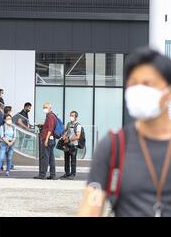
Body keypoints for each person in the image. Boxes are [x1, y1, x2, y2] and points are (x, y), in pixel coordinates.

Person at [79, 48, 171, 217]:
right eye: (133, 83)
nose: (138, 90)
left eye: (147, 84)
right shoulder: (114, 145)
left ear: (168, 91)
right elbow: (90, 208)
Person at [34, 103, 57, 180]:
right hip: (51, 139)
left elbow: (50, 128)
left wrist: (46, 139)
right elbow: (49, 126)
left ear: (50, 108)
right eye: (44, 107)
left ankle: (42, 174)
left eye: (46, 107)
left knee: (45, 157)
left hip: (48, 139)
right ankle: (52, 174)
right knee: (51, 158)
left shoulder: (50, 116)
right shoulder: (50, 116)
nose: (45, 109)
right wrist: (43, 124)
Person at [60, 111, 82, 180]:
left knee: (73, 160)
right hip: (67, 144)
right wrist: (63, 136)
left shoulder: (78, 125)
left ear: (76, 117)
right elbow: (66, 131)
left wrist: (69, 139)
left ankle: (73, 174)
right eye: (70, 115)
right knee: (66, 160)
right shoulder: (68, 124)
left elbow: (78, 136)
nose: (71, 117)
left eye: (72, 115)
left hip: (73, 145)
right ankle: (67, 173)